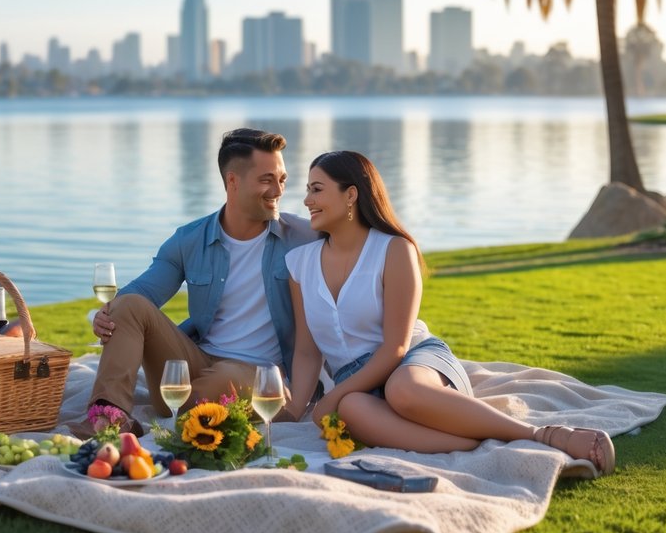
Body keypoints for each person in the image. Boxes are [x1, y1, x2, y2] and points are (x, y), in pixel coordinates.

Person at [283, 150, 616, 475]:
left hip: (411, 362)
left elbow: (395, 348)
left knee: (401, 390)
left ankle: (540, 434)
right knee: (352, 408)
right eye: (308, 190)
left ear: (351, 194)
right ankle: (473, 440)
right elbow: (307, 351)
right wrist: (296, 408)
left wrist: (333, 397)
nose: (307, 200)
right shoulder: (300, 263)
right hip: (356, 387)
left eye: (316, 189)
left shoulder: (394, 249)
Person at [67, 127, 316, 438]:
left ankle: (180, 403)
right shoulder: (189, 239)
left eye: (282, 180)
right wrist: (109, 313)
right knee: (129, 306)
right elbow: (143, 292)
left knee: (220, 378)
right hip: (197, 360)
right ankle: (108, 417)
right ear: (232, 182)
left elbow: (363, 239)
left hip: (260, 376)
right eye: (266, 180)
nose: (278, 190)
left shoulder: (305, 238)